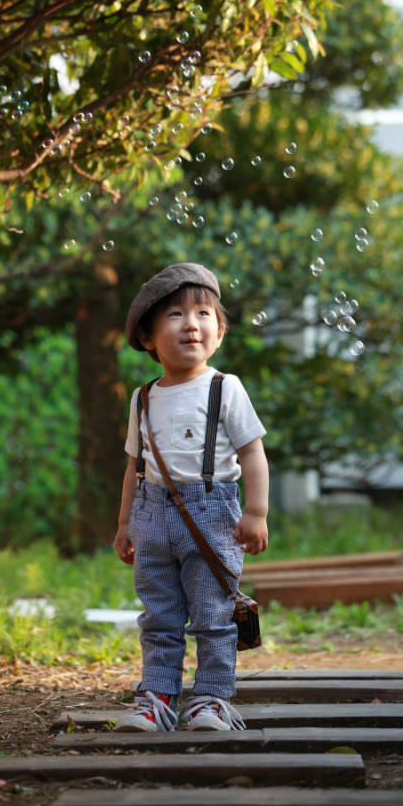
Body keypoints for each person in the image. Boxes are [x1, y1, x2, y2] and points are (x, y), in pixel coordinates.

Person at [114, 262, 269, 733]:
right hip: (151, 515)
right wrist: (124, 524)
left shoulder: (225, 388)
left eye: (203, 314)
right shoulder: (143, 398)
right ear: (148, 337)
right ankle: (157, 698)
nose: (191, 324)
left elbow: (253, 452)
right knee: (159, 615)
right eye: (175, 314)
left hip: (211, 512)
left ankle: (211, 699)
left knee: (213, 614)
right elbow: (135, 467)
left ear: (218, 333)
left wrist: (256, 512)